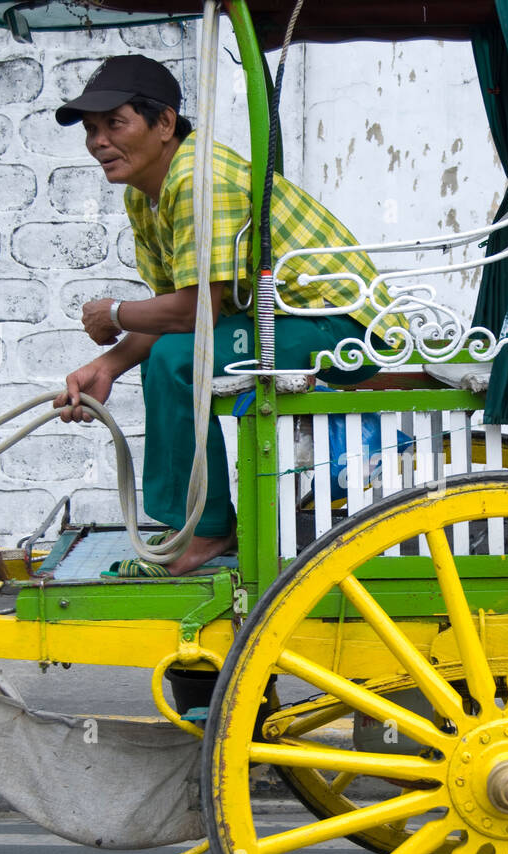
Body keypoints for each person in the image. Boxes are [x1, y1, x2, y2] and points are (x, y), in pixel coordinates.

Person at [53, 55, 390, 576]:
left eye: (113, 124)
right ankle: (193, 522)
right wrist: (107, 368)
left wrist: (116, 313)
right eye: (92, 129)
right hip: (282, 324)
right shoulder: (146, 195)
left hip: (343, 327)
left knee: (177, 358)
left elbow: (194, 312)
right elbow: (174, 313)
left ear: (164, 123)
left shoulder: (197, 176)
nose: (98, 141)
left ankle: (207, 529)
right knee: (171, 353)